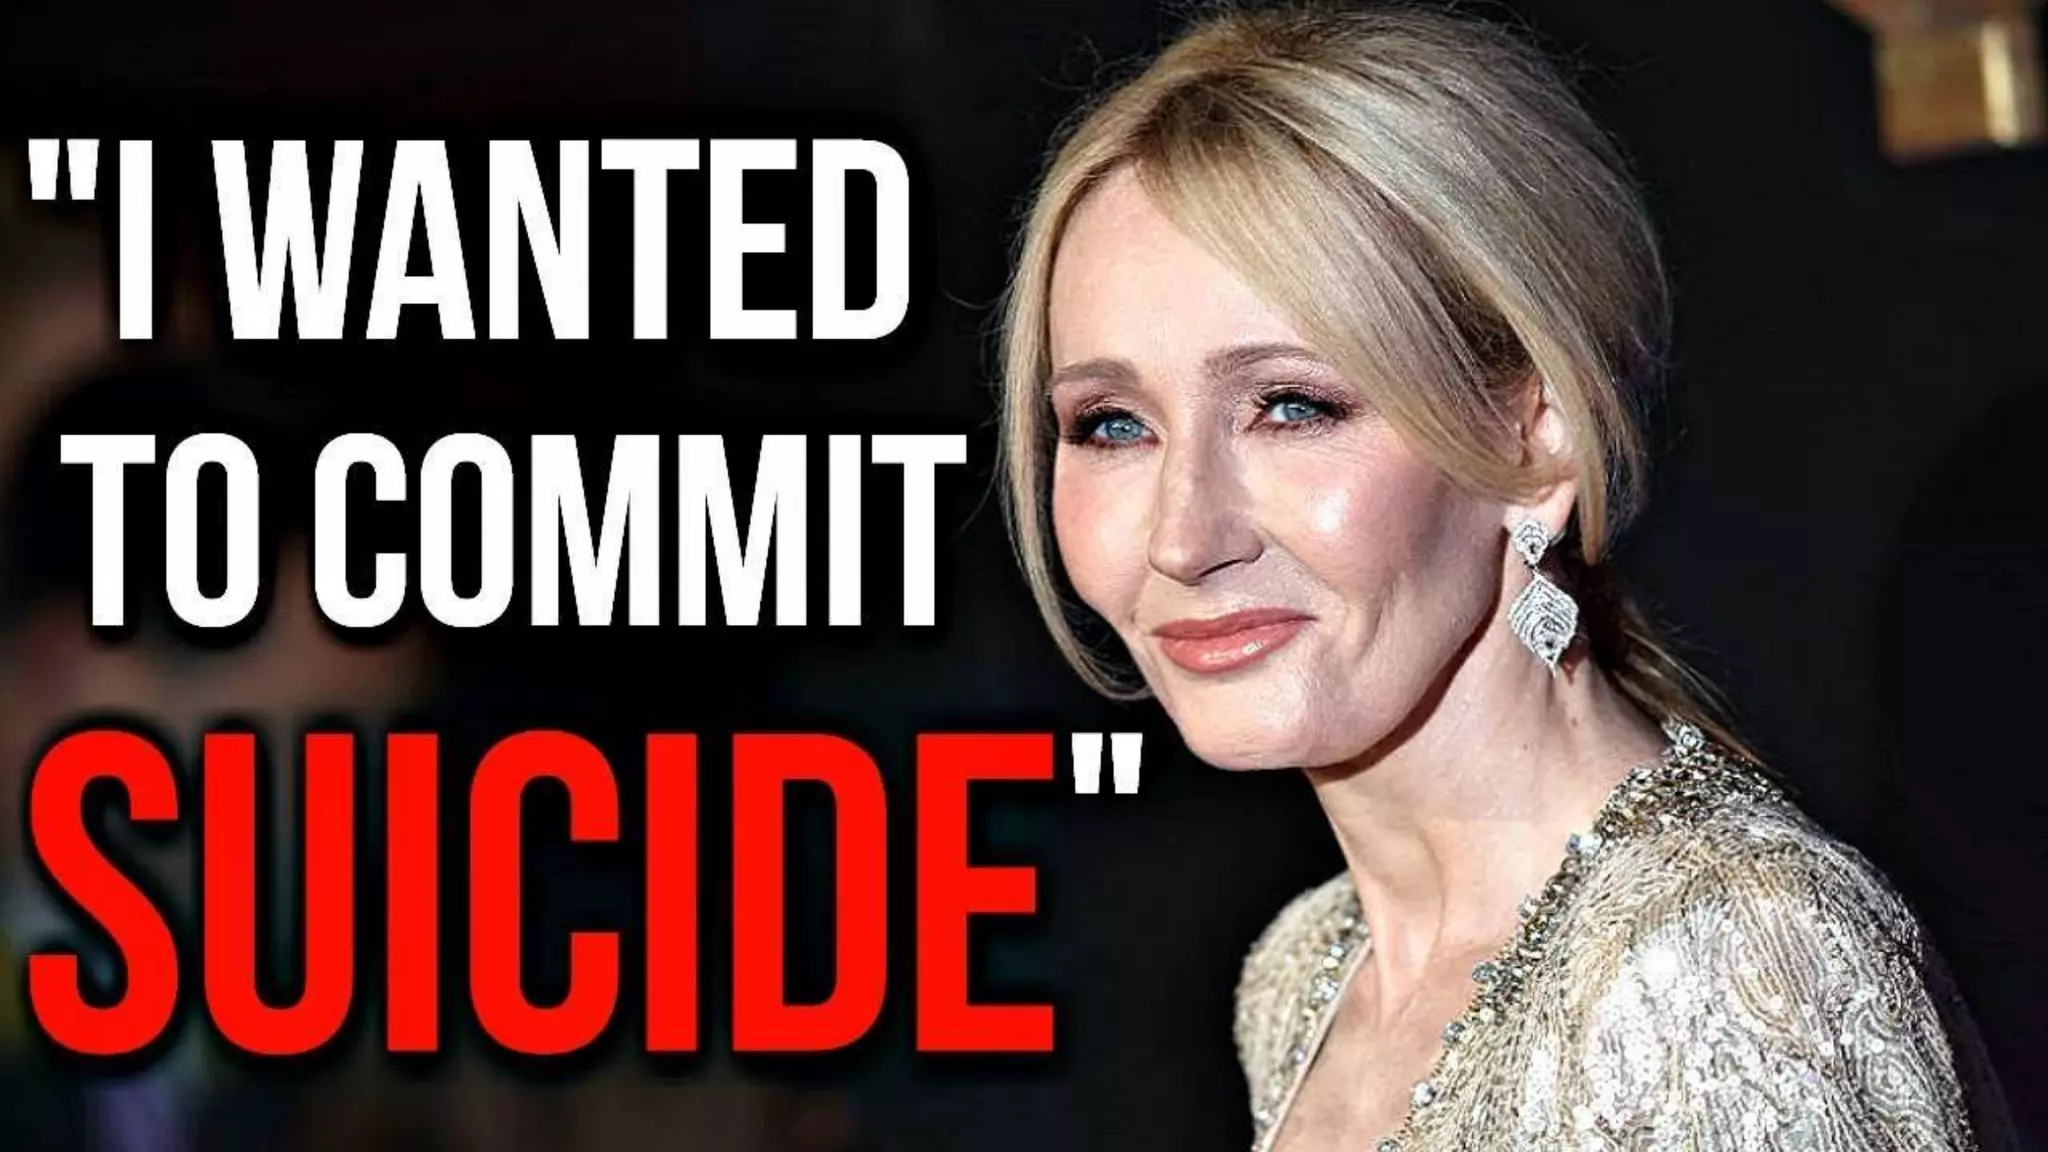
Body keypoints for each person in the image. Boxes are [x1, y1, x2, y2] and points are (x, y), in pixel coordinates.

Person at [995, 4, 2016, 1149]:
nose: (1183, 538)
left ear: (1537, 441)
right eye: (1112, 424)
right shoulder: (1306, 973)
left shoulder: (1724, 965)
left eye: (1290, 407)